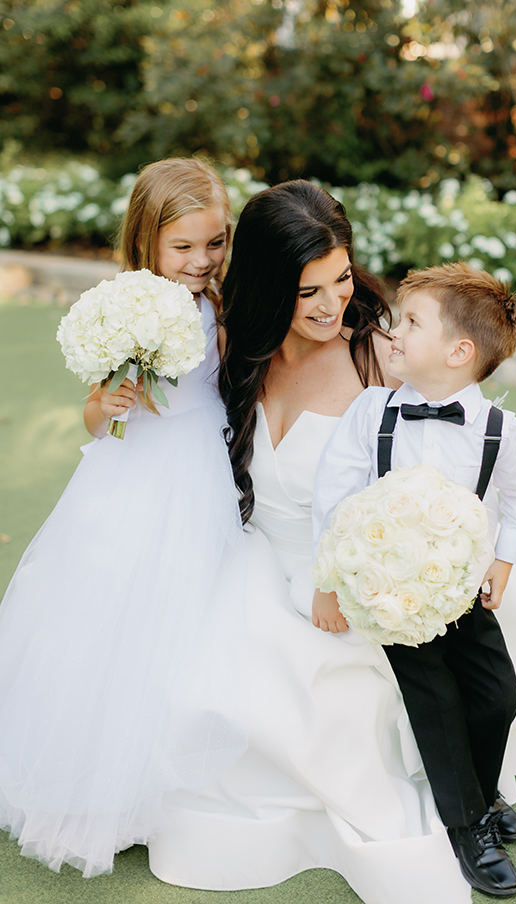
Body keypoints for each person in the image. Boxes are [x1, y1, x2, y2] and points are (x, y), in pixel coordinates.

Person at [147, 181, 516, 903]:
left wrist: (408, 567)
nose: (332, 303)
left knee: (450, 686)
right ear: (271, 286)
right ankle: (469, 806)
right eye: (308, 289)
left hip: (371, 571)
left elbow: (448, 468)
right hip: (256, 562)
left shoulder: (382, 357)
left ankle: (473, 808)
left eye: (342, 279)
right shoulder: (228, 348)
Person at [0, 157, 246, 878]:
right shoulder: (126, 305)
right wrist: (104, 406)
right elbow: (95, 405)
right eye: (185, 247)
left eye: (214, 243)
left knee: (190, 613)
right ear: (147, 241)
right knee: (108, 616)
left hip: (199, 466)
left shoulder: (221, 306)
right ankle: (96, 783)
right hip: (131, 472)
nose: (202, 261)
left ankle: (168, 780)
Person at [312, 262, 516, 896]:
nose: (392, 331)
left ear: (458, 352)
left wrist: (504, 559)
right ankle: (468, 824)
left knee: (498, 695)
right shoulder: (372, 412)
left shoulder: (503, 433)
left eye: (411, 322)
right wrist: (330, 581)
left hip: (463, 594)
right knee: (438, 701)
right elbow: (333, 498)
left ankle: (480, 790)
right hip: (389, 598)